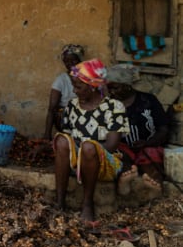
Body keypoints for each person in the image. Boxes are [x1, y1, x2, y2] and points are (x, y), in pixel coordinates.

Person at [52, 58, 128, 224]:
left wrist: (87, 152)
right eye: (74, 85)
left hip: (105, 163)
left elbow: (112, 144)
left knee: (88, 147)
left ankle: (87, 204)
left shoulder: (114, 107)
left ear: (93, 86)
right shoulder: (72, 106)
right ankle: (59, 202)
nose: (74, 90)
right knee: (62, 140)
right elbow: (67, 136)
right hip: (78, 162)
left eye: (79, 86)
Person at [106, 64, 169, 195]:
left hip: (149, 145)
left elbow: (163, 129)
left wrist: (148, 143)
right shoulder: (108, 105)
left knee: (151, 156)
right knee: (121, 157)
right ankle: (126, 179)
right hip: (122, 148)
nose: (111, 92)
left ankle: (154, 185)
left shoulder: (148, 100)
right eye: (109, 88)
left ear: (127, 85)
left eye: (115, 88)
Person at [43, 44, 85, 140]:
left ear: (80, 60)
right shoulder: (61, 80)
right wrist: (47, 134)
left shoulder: (88, 78)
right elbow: (51, 109)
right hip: (66, 118)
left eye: (73, 60)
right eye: (66, 61)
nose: (70, 63)